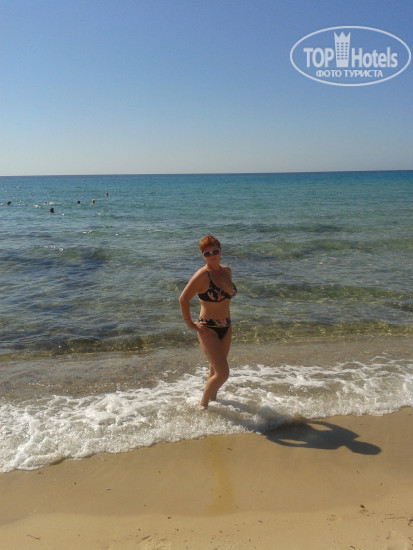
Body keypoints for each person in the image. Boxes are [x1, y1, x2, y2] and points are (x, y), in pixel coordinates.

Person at [179, 235, 237, 408]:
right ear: (203, 256)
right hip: (208, 328)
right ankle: (202, 405)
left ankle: (213, 402)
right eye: (207, 253)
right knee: (223, 373)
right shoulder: (202, 276)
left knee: (214, 370)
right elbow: (183, 299)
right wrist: (190, 324)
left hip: (226, 326)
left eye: (214, 251)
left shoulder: (226, 271)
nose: (212, 255)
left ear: (220, 251)